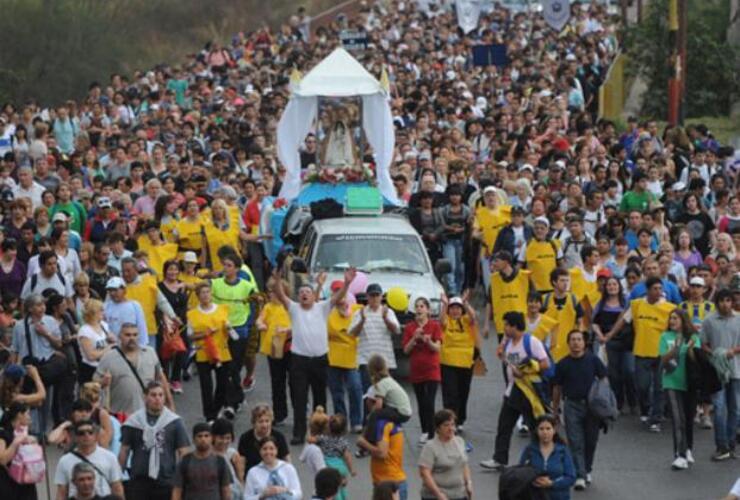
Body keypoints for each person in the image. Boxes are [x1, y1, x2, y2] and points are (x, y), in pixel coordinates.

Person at [272, 266, 354, 444]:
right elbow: (280, 295)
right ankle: (298, 433)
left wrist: (347, 283)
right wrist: (277, 280)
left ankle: (320, 432)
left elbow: (338, 297)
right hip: (299, 361)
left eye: (307, 291)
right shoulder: (294, 308)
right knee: (299, 398)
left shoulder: (322, 307)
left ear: (313, 295)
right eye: (301, 292)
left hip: (320, 360)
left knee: (320, 398)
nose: (304, 294)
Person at [481, 311, 549, 471]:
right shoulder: (509, 343)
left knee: (535, 428)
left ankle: (539, 460)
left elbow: (545, 364)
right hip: (512, 390)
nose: (503, 328)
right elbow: (511, 363)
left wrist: (525, 372)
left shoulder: (531, 342)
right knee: (504, 425)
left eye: (506, 325)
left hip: (527, 392)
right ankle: (499, 459)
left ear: (514, 326)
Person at [607, 277, 677, 431]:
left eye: (661, 289)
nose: (659, 292)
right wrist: (610, 334)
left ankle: (655, 419)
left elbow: (677, 326)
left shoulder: (669, 308)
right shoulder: (637, 305)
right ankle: (646, 409)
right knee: (642, 386)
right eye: (655, 289)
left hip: (661, 354)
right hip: (642, 351)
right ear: (648, 290)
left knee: (659, 387)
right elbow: (624, 321)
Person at [551, 330, 607, 489]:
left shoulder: (593, 360)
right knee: (575, 441)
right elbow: (557, 388)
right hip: (571, 405)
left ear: (584, 343)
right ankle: (580, 475)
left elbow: (604, 379)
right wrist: (555, 410)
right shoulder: (562, 364)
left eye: (579, 339)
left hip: (592, 406)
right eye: (573, 340)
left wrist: (604, 401)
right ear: (568, 343)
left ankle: (587, 469)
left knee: (591, 440)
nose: (576, 343)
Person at [119, 381, 190, 500]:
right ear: (145, 396)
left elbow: (184, 453)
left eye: (161, 395)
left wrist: (182, 479)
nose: (157, 399)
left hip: (166, 480)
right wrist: (118, 476)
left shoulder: (174, 422)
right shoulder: (134, 422)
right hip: (139, 480)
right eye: (153, 395)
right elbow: (124, 451)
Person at [187, 282, 240, 421]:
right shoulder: (192, 314)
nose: (205, 295)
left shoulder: (222, 309)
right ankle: (209, 416)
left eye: (207, 292)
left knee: (222, 384)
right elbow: (190, 335)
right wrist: (204, 334)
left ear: (211, 294)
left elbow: (229, 329)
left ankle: (215, 409)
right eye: (202, 293)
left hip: (221, 352)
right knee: (206, 386)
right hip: (203, 353)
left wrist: (229, 328)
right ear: (198, 296)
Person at [95, 322, 172, 417]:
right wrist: (103, 382)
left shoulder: (150, 353)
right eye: (127, 335)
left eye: (135, 335)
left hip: (148, 413)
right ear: (120, 336)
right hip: (120, 415)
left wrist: (170, 403)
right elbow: (95, 382)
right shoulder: (108, 357)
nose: (132, 338)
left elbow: (160, 378)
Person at [700, 289, 740, 461]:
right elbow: (703, 344)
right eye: (722, 301)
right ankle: (721, 445)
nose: (725, 304)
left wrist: (732, 351)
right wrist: (715, 353)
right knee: (719, 408)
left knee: (736, 409)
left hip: (737, 370)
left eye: (728, 300)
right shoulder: (709, 320)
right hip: (717, 371)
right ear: (717, 303)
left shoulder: (739, 319)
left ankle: (731, 444)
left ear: (732, 301)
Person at [211, 252, 257, 397]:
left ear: (237, 269)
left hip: (240, 330)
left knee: (235, 367)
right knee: (223, 367)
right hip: (220, 330)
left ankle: (232, 400)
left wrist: (249, 324)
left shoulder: (247, 286)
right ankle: (232, 398)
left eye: (229, 266)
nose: (225, 268)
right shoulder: (215, 283)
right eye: (224, 265)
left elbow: (255, 306)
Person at [659, 309, 701, 470]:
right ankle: (679, 455)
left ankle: (688, 448)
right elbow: (663, 359)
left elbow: (695, 358)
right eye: (671, 319)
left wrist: (688, 348)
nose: (672, 321)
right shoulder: (665, 337)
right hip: (671, 381)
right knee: (678, 419)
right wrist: (676, 348)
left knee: (688, 418)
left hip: (689, 383)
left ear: (683, 320)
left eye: (675, 318)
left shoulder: (693, 337)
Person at [350, 283, 401, 399]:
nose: (374, 298)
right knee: (368, 396)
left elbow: (396, 330)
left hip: (385, 361)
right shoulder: (360, 312)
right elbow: (352, 333)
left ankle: (382, 417)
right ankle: (367, 417)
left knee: (385, 396)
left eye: (377, 295)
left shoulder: (388, 312)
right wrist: (362, 320)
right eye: (371, 295)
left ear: (381, 297)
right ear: (367, 297)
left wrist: (385, 318)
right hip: (365, 360)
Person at [401, 296, 441, 443]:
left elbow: (437, 347)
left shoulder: (434, 326)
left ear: (428, 310)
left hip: (432, 369)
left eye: (422, 306)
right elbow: (405, 350)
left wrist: (428, 341)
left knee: (429, 402)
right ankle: (425, 430)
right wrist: (414, 338)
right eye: (417, 306)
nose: (419, 309)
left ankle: (432, 432)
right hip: (416, 370)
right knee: (421, 401)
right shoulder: (410, 327)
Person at [326, 280, 363, 433]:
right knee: (337, 392)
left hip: (351, 358)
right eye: (336, 293)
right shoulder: (328, 312)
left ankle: (356, 421)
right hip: (333, 357)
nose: (341, 300)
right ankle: (341, 422)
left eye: (342, 293)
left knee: (355, 388)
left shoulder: (357, 310)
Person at [54, 420, 124, 500]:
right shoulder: (64, 461)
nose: (86, 435)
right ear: (76, 437)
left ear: (95, 436)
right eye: (81, 433)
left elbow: (117, 487)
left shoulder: (110, 457)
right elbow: (61, 492)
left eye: (90, 432)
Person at [439, 294, 479, 430]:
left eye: (458, 308)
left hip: (466, 362)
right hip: (448, 362)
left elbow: (473, 317)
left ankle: (460, 420)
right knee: (450, 393)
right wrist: (444, 305)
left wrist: (466, 303)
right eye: (452, 308)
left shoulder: (466, 320)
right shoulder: (447, 321)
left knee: (463, 392)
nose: (455, 311)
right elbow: (441, 320)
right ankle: (449, 420)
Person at [256, 277, 292, 425]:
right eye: (270, 291)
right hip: (274, 348)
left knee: (294, 381)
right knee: (277, 381)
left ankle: (299, 409)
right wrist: (260, 325)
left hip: (289, 347)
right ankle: (279, 413)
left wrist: (287, 330)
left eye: (274, 291)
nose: (271, 294)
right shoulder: (268, 307)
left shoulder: (289, 306)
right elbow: (260, 320)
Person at [356, 399, 407, 500]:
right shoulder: (393, 422)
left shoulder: (382, 424)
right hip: (393, 480)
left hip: (387, 484)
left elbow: (382, 453)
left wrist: (363, 443)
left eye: (368, 402)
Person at [518, 414, 576, 500]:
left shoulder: (563, 451)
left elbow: (571, 477)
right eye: (541, 429)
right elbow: (520, 474)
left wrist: (552, 483)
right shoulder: (529, 450)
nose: (545, 432)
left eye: (548, 428)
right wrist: (534, 480)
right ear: (536, 431)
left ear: (554, 430)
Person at [418, 409, 473, 500]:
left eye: (452, 424)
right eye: (446, 425)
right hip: (436, 496)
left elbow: (464, 464)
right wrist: (438, 494)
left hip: (459, 494)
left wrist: (468, 483)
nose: (451, 428)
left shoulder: (459, 441)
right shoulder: (430, 446)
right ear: (438, 428)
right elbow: (425, 473)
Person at [361, 354, 412, 446]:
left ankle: (370, 441)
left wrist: (370, 415)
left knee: (375, 415)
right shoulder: (389, 380)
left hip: (400, 412)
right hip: (404, 410)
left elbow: (378, 405)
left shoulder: (381, 384)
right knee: (378, 413)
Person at [172, 422, 231, 500]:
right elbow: (177, 490)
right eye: (199, 436)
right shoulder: (184, 462)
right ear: (193, 439)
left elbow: (226, 490)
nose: (203, 439)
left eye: (206, 436)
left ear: (211, 438)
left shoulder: (220, 462)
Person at [542, 268, 584, 363]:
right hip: (549, 347)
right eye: (562, 280)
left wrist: (579, 339)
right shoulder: (545, 300)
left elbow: (580, 321)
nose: (565, 283)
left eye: (567, 280)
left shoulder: (574, 299)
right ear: (554, 282)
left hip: (569, 347)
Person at [237, 404, 291, 477]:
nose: (264, 425)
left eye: (267, 421)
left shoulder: (279, 437)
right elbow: (241, 463)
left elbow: (286, 461)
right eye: (260, 421)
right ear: (254, 423)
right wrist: (241, 482)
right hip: (253, 477)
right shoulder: (245, 438)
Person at [0, 403, 38, 500]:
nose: (30, 417)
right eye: (27, 414)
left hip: (26, 483)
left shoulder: (26, 433)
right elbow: (2, 459)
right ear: (19, 415)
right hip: (9, 485)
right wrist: (16, 442)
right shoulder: (3, 434)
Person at [244, 436, 302, 500]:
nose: (268, 452)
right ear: (260, 451)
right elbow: (247, 497)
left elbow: (298, 493)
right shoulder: (253, 472)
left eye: (271, 449)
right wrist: (262, 495)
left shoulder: (288, 468)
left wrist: (286, 491)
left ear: (276, 450)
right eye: (264, 449)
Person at [77, 298, 116, 384]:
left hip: (105, 367)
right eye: (101, 310)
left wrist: (112, 340)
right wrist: (108, 349)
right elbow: (90, 356)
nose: (103, 312)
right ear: (93, 312)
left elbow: (113, 341)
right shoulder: (85, 331)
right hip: (90, 369)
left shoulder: (103, 325)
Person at [103, 276, 148, 347]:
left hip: (132, 345)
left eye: (115, 290)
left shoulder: (134, 305)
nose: (112, 293)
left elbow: (141, 327)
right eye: (110, 290)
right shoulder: (105, 307)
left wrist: (143, 345)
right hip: (112, 347)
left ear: (124, 290)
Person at [211, 418, 245, 500]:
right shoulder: (207, 454)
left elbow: (240, 477)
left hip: (233, 492)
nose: (224, 441)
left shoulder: (232, 453)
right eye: (221, 438)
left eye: (228, 438)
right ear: (213, 437)